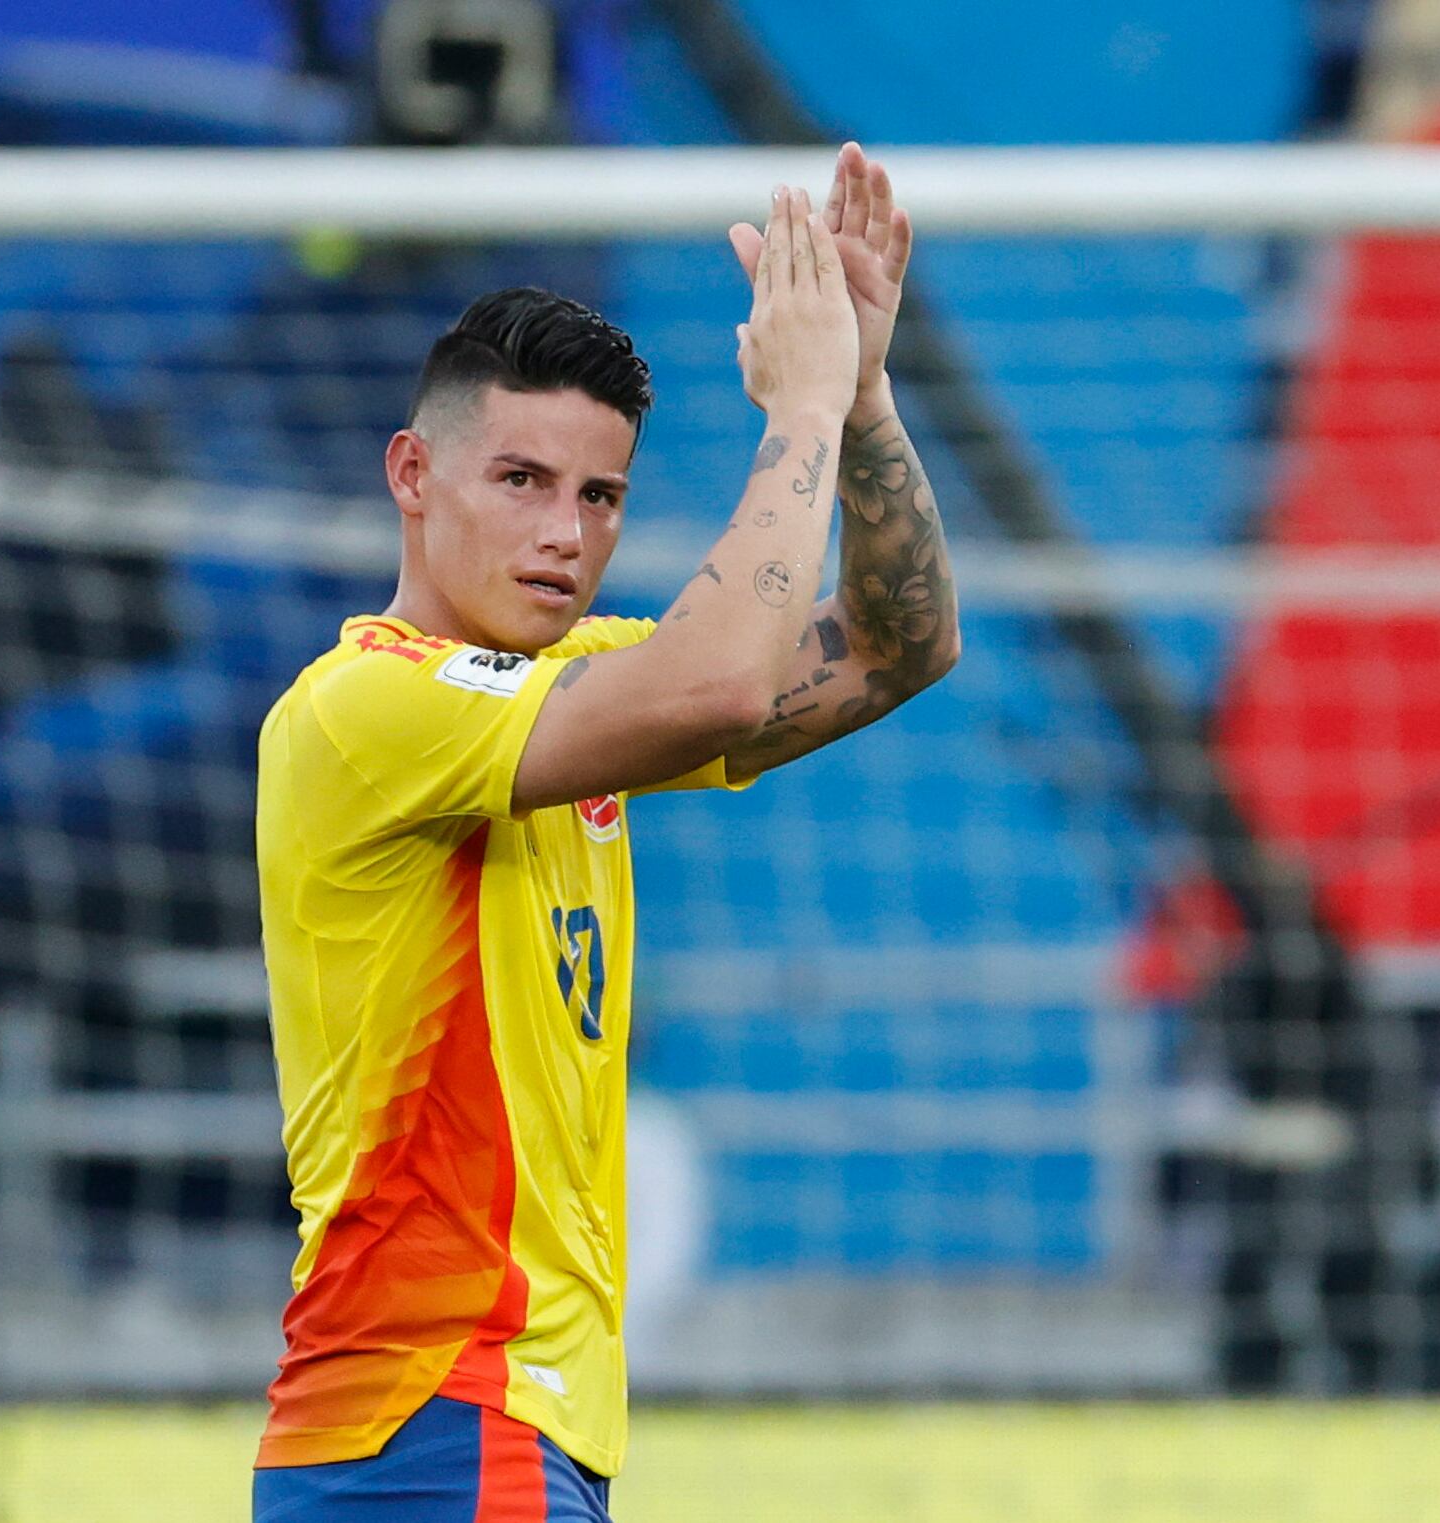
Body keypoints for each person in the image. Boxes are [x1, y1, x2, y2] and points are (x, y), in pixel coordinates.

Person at [250, 144, 959, 1521]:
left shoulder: (568, 697)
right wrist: (798, 407)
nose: (563, 534)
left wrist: (862, 397)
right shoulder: (366, 708)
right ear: (411, 471)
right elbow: (722, 681)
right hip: (439, 1416)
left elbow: (900, 641)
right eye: (518, 479)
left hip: (486, 1430)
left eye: (599, 496)